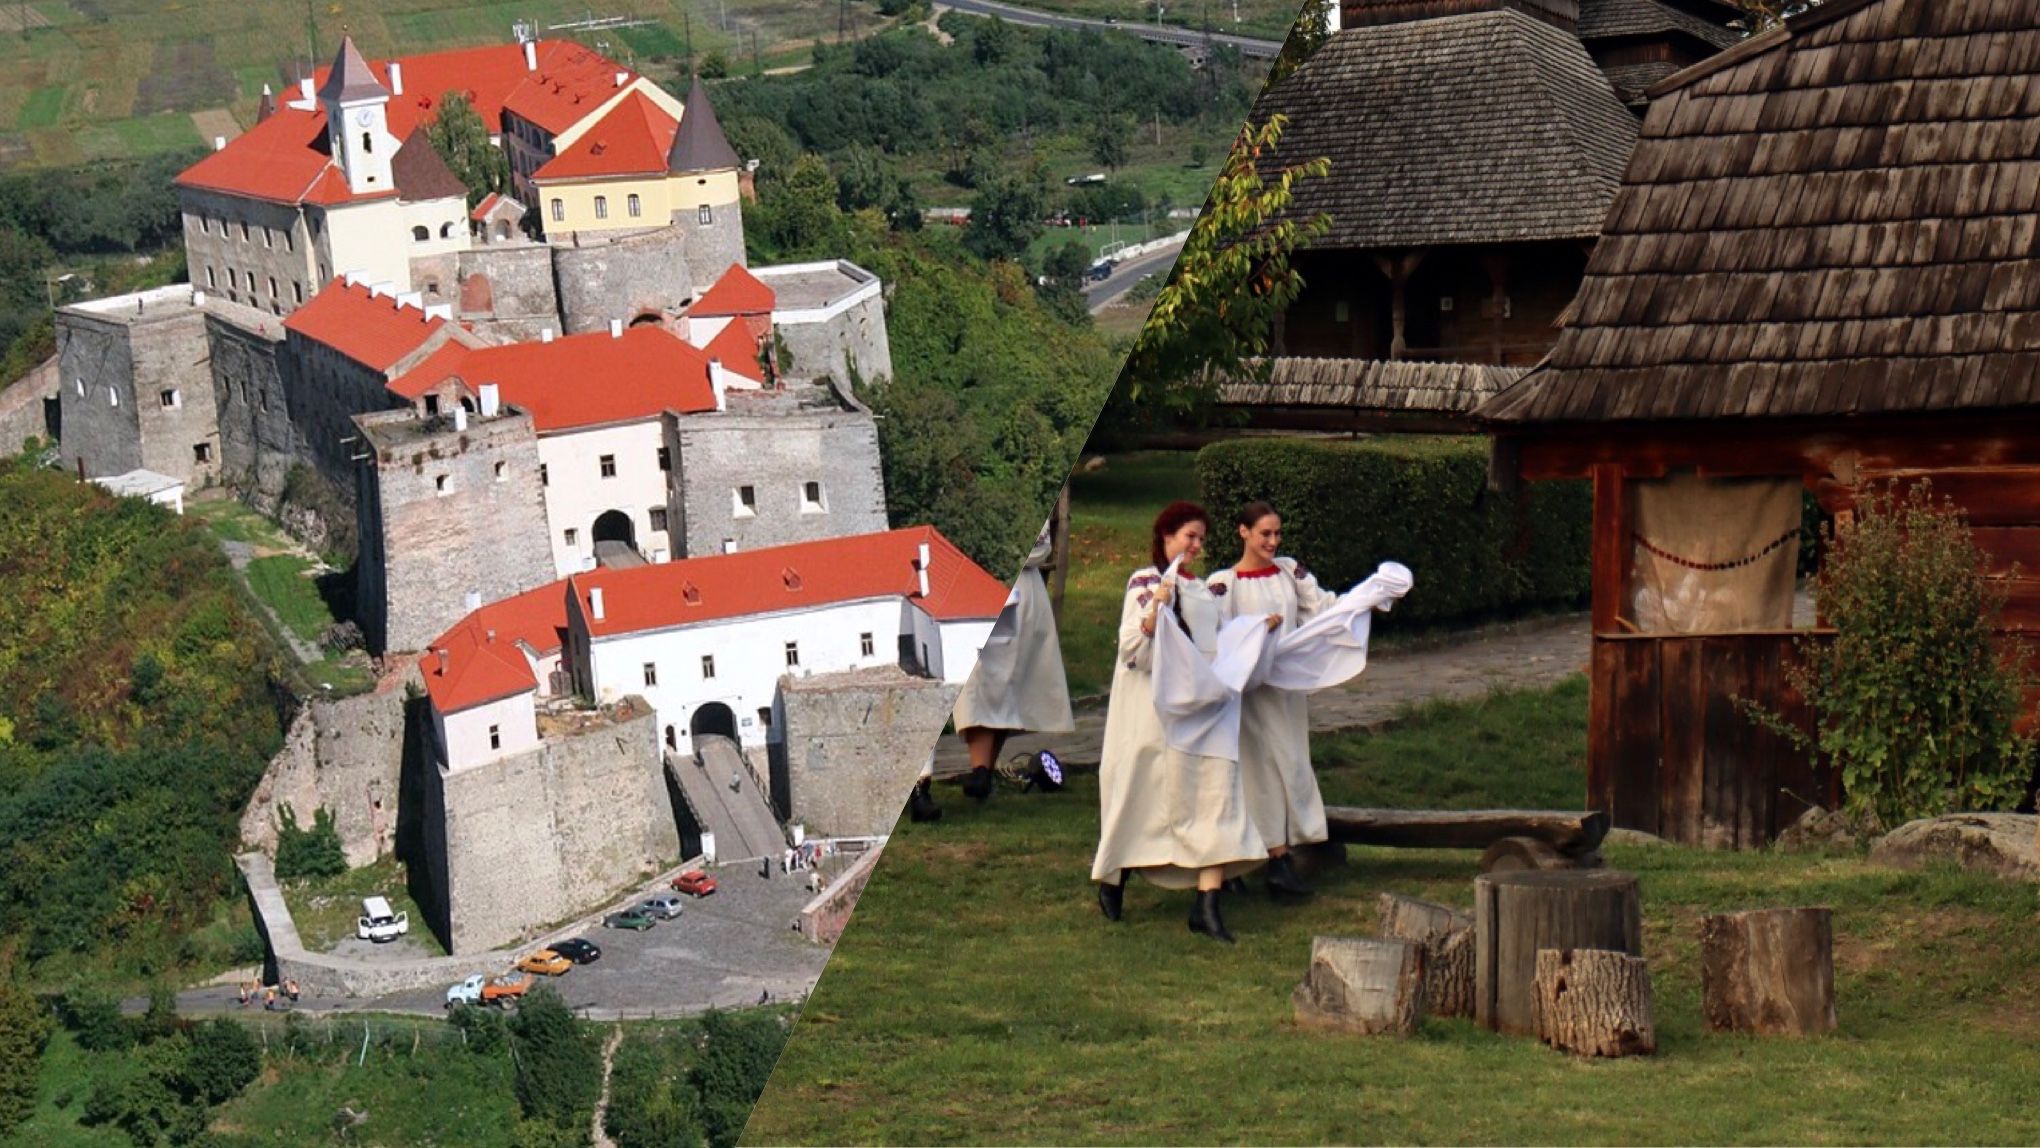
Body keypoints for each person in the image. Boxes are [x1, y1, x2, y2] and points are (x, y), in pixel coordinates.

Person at [1090, 501, 1268, 944]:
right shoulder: (1147, 582)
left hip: (1208, 710)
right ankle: (1116, 875)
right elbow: (1132, 648)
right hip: (1156, 712)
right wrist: (1155, 613)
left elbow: (1215, 642)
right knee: (1143, 796)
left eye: (1201, 539)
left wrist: (1255, 630)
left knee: (1216, 797)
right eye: (1189, 536)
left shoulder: (1203, 590)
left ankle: (1206, 906)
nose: (1196, 546)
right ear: (1166, 535)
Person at [1207, 502, 1330, 900]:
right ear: (1243, 532)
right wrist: (1256, 631)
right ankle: (1272, 860)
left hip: (1286, 691)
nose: (1273, 541)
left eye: (1277, 533)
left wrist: (1361, 605)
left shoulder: (1289, 572)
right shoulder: (1226, 584)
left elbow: (1321, 611)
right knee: (1259, 771)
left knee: (1291, 763)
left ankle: (1278, 852)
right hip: (1249, 696)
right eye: (1265, 534)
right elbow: (1216, 635)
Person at [914, 521, 1077, 821]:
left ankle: (981, 770)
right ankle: (980, 771)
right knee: (996, 682)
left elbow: (1039, 550)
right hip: (1018, 592)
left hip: (1008, 589)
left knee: (991, 682)